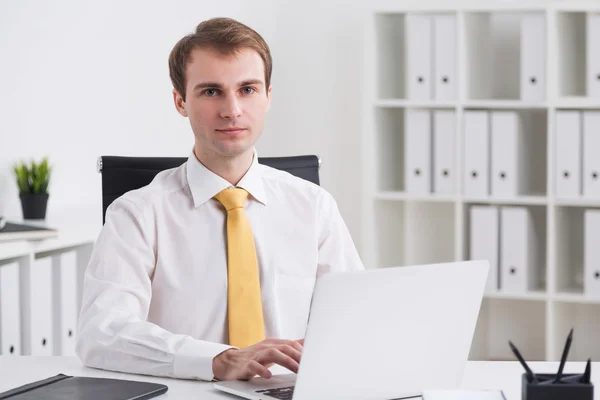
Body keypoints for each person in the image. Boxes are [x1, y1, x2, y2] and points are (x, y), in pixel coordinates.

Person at [75, 17, 364, 383]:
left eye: (247, 89)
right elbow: (101, 332)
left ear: (268, 97)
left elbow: (356, 320)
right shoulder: (137, 214)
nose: (232, 110)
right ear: (180, 101)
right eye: (211, 91)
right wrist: (218, 360)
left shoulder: (314, 206)